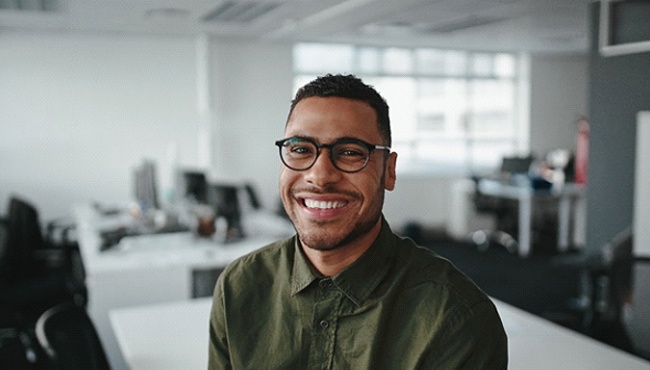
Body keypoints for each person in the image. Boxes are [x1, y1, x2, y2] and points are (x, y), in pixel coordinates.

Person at [208, 74, 508, 369]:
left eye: (350, 152)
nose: (320, 176)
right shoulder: (240, 287)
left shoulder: (455, 318)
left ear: (388, 171)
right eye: (300, 149)